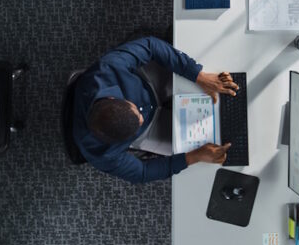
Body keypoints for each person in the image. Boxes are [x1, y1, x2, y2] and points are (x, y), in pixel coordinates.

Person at [71, 36, 236, 183]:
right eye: (138, 122)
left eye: (136, 112)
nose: (142, 117)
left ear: (114, 98)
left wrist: (198, 76)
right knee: (196, 146)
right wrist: (195, 156)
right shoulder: (100, 154)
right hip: (148, 130)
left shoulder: (107, 69)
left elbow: (150, 46)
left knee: (206, 79)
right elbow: (143, 173)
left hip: (148, 85)